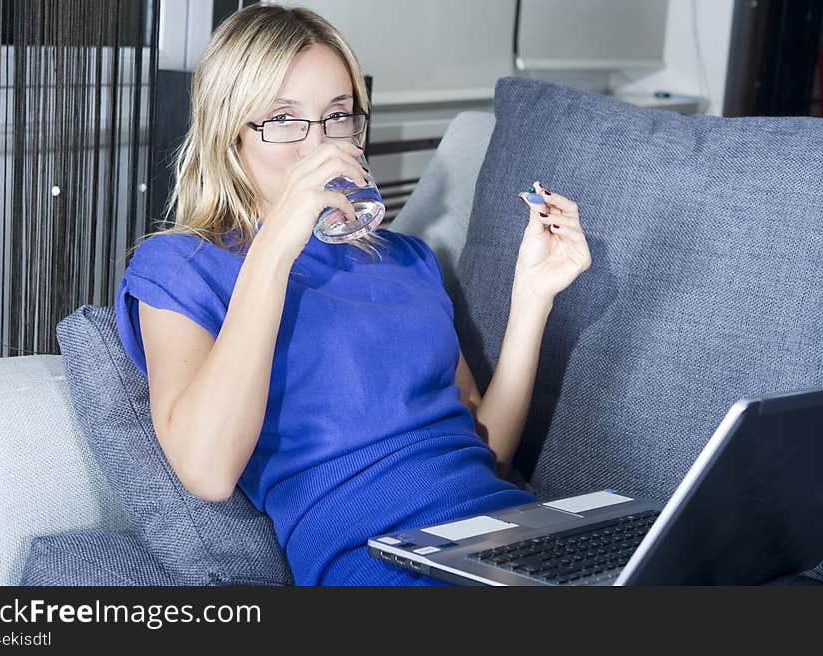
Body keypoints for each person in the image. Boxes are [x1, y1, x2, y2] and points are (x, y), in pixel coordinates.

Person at [114, 3, 591, 586]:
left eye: (339, 117)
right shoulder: (180, 264)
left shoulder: (408, 261)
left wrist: (532, 299)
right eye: (284, 119)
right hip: (377, 563)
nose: (319, 148)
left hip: (513, 539)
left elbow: (485, 454)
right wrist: (273, 248)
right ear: (230, 133)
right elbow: (208, 469)